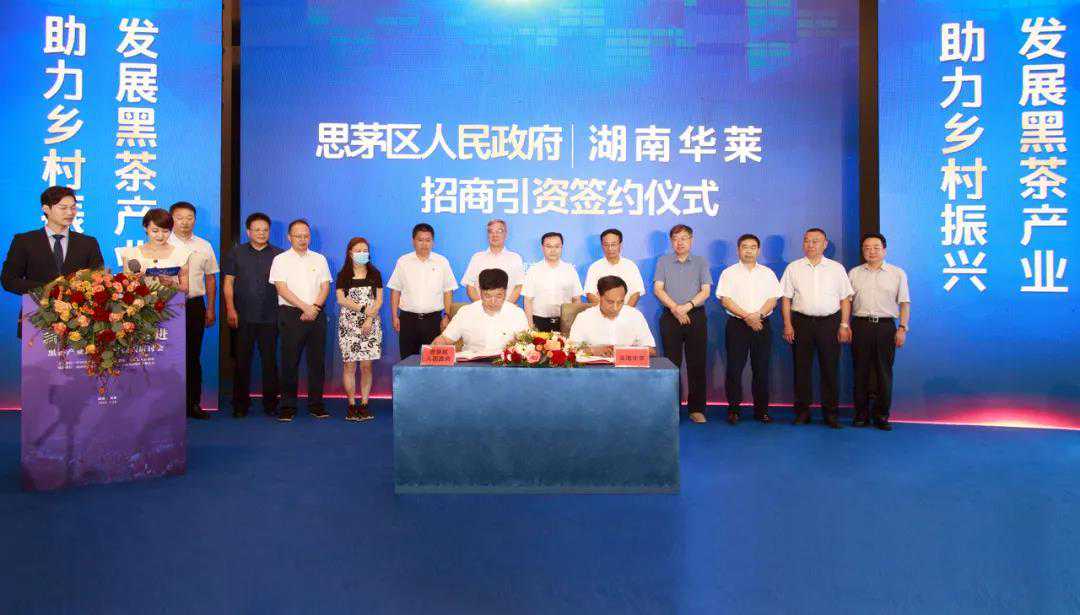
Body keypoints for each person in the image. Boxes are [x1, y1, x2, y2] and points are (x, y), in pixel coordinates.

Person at [2, 186, 104, 335]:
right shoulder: (24, 241)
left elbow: (99, 280)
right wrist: (47, 289)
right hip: (37, 319)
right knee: (40, 352)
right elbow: (9, 280)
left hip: (79, 325)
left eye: (73, 208)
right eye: (63, 208)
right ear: (46, 209)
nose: (70, 212)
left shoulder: (88, 243)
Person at [780, 228, 854, 429]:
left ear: (825, 244)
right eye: (807, 241)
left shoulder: (836, 268)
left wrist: (844, 324)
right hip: (801, 323)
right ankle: (802, 412)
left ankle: (831, 414)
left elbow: (845, 299)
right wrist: (787, 324)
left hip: (829, 323)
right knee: (801, 369)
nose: (810, 245)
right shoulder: (794, 268)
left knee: (830, 369)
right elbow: (786, 299)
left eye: (815, 241)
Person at [269, 219, 332, 422]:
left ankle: (316, 404)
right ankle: (287, 406)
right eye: (298, 236)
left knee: (317, 362)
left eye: (306, 236)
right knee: (289, 362)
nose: (303, 239)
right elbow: (281, 288)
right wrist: (306, 308)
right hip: (290, 314)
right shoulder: (280, 260)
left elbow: (325, 287)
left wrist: (315, 308)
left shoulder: (319, 259)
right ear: (289, 237)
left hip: (317, 313)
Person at [716, 234, 782, 425]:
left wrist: (758, 316)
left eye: (753, 247)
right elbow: (725, 300)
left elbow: (773, 299)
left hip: (762, 324)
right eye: (744, 247)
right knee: (734, 369)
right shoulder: (729, 273)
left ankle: (762, 411)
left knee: (761, 369)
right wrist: (747, 317)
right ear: (738, 250)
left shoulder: (767, 273)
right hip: (737, 325)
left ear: (758, 250)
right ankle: (734, 410)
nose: (749, 250)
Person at [222, 212, 283, 418]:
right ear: (248, 232)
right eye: (257, 230)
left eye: (265, 230)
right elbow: (228, 283)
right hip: (243, 315)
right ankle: (240, 404)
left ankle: (271, 404)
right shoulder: (236, 253)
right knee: (242, 361)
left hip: (271, 316)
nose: (261, 233)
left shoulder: (279, 255)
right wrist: (230, 309)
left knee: (270, 362)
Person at [848, 233, 911, 431]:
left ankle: (882, 415)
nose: (871, 251)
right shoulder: (854, 273)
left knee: (884, 372)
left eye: (876, 247)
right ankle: (861, 414)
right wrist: (845, 325)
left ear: (884, 250)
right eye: (867, 248)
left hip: (885, 327)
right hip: (860, 326)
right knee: (860, 371)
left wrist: (902, 328)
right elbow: (847, 302)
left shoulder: (897, 273)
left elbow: (904, 303)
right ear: (862, 251)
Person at [654, 224, 712, 423]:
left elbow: (706, 291)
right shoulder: (663, 261)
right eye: (676, 239)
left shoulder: (700, 262)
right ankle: (673, 409)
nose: (680, 242)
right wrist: (675, 309)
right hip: (671, 316)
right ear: (671, 241)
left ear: (691, 240)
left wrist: (686, 307)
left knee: (697, 363)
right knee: (672, 364)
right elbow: (658, 289)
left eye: (684, 238)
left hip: (695, 315)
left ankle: (696, 409)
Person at [168, 202, 219, 420]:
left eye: (189, 217)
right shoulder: (162, 243)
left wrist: (211, 308)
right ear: (171, 219)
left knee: (192, 355)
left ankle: (193, 404)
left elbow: (211, 278)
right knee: (168, 357)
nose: (185, 222)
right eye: (180, 217)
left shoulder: (204, 245)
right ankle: (168, 406)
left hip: (195, 305)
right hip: (167, 307)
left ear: (195, 220)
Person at [387, 223, 458, 360]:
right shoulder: (403, 261)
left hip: (433, 321)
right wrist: (395, 316)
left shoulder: (442, 262)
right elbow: (395, 289)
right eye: (420, 240)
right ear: (413, 241)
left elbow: (448, 291)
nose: (424, 244)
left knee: (433, 361)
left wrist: (447, 315)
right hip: (408, 320)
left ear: (433, 242)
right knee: (407, 361)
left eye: (428, 240)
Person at [335, 237, 383, 422]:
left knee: (366, 366)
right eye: (358, 250)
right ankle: (351, 405)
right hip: (349, 324)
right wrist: (363, 310)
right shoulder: (343, 275)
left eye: (365, 250)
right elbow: (341, 299)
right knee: (349, 366)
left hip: (370, 324)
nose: (362, 254)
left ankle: (364, 404)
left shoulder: (375, 274)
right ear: (350, 253)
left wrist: (369, 319)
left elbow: (378, 300)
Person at [433, 268, 528, 355]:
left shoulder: (516, 313)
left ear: (505, 292)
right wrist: (433, 350)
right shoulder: (466, 312)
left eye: (498, 296)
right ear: (480, 291)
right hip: (472, 364)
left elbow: (526, 344)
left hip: (504, 364)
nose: (493, 301)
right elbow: (445, 339)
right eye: (488, 296)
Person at [568, 275, 656, 357]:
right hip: (594, 367)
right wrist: (592, 351)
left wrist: (623, 352)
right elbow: (570, 350)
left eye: (620, 302)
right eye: (610, 302)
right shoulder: (584, 318)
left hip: (627, 367)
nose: (615, 308)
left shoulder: (635, 316)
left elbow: (651, 350)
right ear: (599, 295)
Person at [522, 232, 582, 332]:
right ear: (542, 248)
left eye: (557, 246)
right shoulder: (533, 270)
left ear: (561, 247)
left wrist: (576, 325)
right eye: (549, 246)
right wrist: (530, 326)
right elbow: (528, 300)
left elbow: (577, 299)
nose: (553, 250)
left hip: (565, 321)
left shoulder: (570, 270)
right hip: (539, 321)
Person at [120, 209, 191, 293]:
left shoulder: (181, 254)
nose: (160, 236)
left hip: (173, 300)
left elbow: (186, 289)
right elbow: (125, 287)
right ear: (145, 228)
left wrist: (172, 284)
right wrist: (135, 280)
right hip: (141, 301)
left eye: (165, 231)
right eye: (155, 231)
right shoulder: (131, 254)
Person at [461, 219, 525, 303]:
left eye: (499, 231)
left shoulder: (515, 258)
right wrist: (481, 307)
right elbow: (469, 285)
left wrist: (506, 307)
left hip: (507, 308)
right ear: (488, 235)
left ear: (505, 234)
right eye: (491, 232)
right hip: (481, 308)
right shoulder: (477, 257)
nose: (495, 235)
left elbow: (519, 286)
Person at [583, 228, 645, 307]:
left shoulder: (630, 266)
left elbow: (636, 292)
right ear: (602, 246)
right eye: (606, 245)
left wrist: (625, 311)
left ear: (620, 245)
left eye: (613, 244)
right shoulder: (595, 267)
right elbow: (590, 293)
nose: (610, 248)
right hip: (601, 312)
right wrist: (605, 310)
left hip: (626, 311)